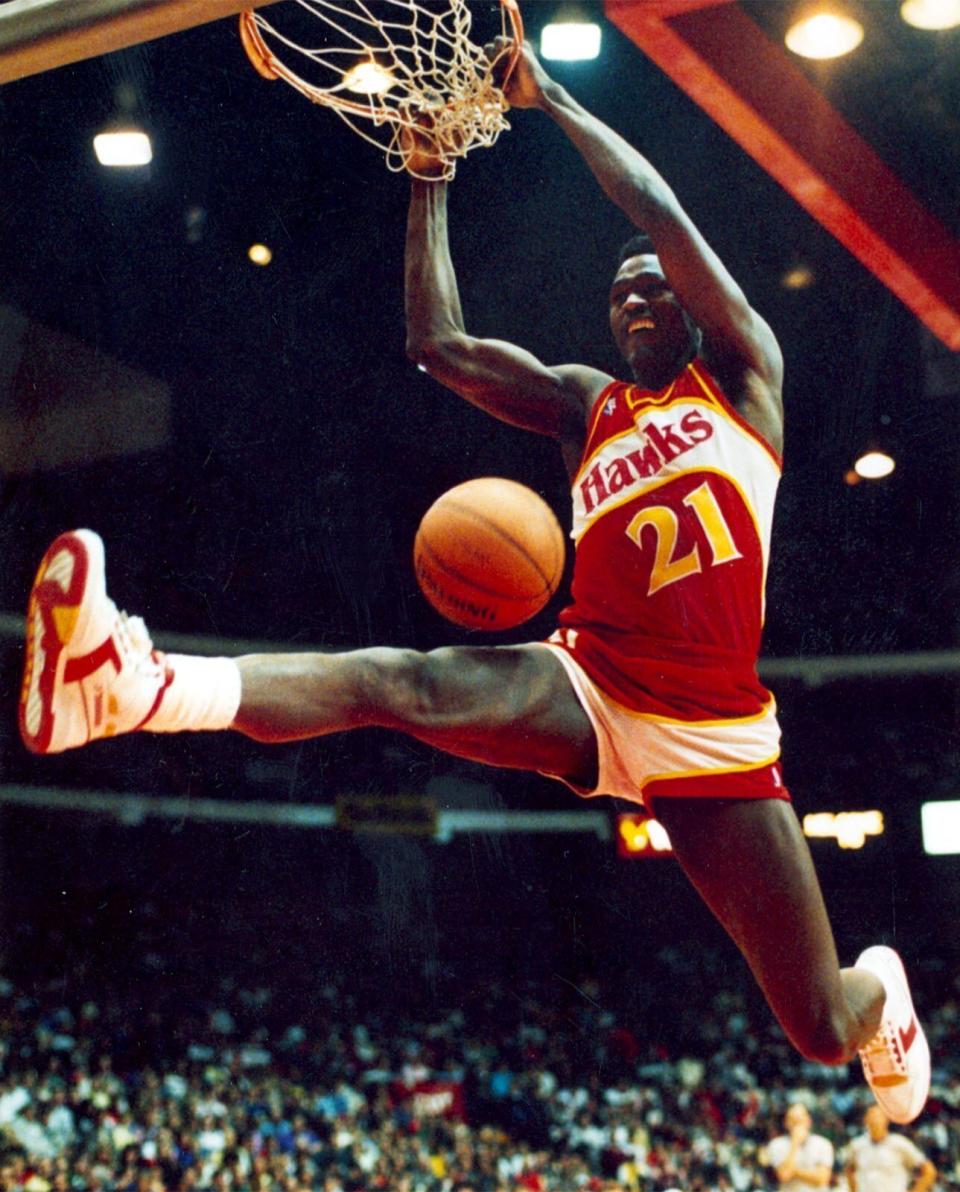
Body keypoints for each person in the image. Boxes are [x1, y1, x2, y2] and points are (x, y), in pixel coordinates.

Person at [18, 39, 928, 1123]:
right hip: (588, 682)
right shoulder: (588, 406)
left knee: (820, 1027)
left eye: (651, 289)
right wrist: (430, 176)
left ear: (689, 309)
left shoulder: (744, 377)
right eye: (619, 294)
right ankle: (130, 685)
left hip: (716, 735)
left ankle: (888, 1000)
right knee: (400, 682)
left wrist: (555, 100)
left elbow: (664, 214)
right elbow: (438, 342)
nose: (635, 301)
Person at [845, 1106, 936, 1192]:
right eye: (871, 1117)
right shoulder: (857, 1145)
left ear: (886, 1120)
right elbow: (849, 1170)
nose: (874, 1121)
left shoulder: (899, 1144)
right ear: (865, 1120)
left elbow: (929, 1171)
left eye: (878, 1117)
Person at [767, 1103, 833, 1192]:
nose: (797, 1124)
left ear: (809, 1121)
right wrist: (795, 1143)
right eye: (792, 1120)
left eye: (800, 1119)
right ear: (785, 1123)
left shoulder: (823, 1144)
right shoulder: (776, 1145)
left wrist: (793, 1171)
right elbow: (784, 1175)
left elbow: (822, 1179)